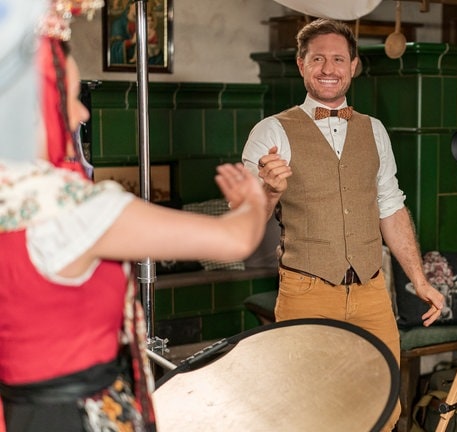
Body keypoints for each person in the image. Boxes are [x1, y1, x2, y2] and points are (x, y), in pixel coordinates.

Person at [0, 2, 269, 431]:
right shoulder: (72, 208)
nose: (83, 113)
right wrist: (256, 200)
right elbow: (234, 240)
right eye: (69, 99)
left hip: (22, 413)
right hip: (81, 415)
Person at [241, 18, 445, 430]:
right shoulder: (271, 132)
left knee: (384, 407)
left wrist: (419, 280)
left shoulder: (375, 130)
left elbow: (391, 206)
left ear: (354, 66)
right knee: (310, 411)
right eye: (317, 59)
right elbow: (243, 225)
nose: (328, 68)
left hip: (372, 291)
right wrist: (271, 192)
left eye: (338, 59)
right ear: (301, 65)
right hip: (307, 292)